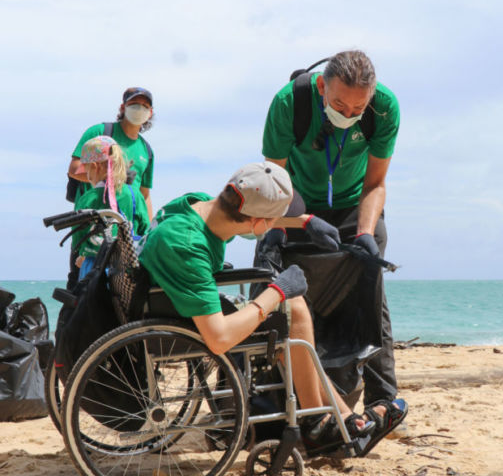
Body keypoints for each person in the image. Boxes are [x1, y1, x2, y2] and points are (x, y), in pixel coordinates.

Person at [137, 161, 374, 453]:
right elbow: (219, 338)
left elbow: (248, 218)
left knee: (291, 312)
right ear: (258, 225)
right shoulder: (187, 247)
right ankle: (316, 421)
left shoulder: (199, 206)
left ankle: (343, 416)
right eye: (275, 219)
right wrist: (277, 292)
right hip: (182, 327)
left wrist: (304, 221)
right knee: (294, 310)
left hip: (168, 303)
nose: (276, 223)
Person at [260, 49, 407, 448]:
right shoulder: (289, 103)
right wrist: (291, 224)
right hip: (294, 200)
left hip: (353, 204)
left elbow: (375, 184)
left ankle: (383, 400)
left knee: (371, 282)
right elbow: (274, 179)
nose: (349, 112)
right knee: (274, 287)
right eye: (340, 103)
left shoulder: (383, 109)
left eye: (358, 106)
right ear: (323, 86)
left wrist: (363, 234)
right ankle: (278, 400)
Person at [65, 87, 155, 288]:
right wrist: (108, 179)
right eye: (134, 104)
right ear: (123, 107)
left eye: (145, 106)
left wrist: (147, 236)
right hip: (92, 227)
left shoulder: (146, 150)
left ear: (150, 112)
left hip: (125, 240)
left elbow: (145, 194)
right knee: (79, 290)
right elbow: (74, 168)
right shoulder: (100, 132)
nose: (139, 108)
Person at [71, 136, 149, 280]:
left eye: (87, 171)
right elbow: (145, 229)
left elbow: (78, 237)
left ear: (95, 166)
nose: (88, 177)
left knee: (91, 301)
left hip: (93, 268)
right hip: (127, 270)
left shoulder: (87, 198)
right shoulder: (134, 194)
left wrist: (81, 255)